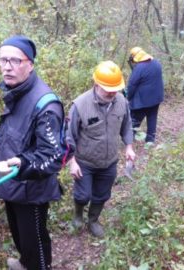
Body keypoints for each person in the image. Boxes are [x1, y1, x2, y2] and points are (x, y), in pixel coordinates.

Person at [0, 35, 65, 270]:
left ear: (30, 64)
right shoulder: (16, 91)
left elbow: (53, 157)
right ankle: (26, 263)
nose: (7, 66)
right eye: (2, 60)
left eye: (15, 60)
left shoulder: (46, 104)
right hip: (12, 182)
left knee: (34, 241)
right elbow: (14, 130)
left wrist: (20, 164)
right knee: (19, 236)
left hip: (32, 190)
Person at [66, 61, 136, 238]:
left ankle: (93, 220)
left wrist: (129, 147)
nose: (112, 93)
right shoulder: (80, 105)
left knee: (102, 194)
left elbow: (127, 125)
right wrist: (72, 162)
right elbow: (68, 136)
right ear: (96, 84)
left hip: (109, 161)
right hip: (85, 162)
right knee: (83, 195)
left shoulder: (121, 102)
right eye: (108, 89)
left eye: (115, 89)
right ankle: (77, 215)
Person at [126, 47, 164, 143]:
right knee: (152, 118)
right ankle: (150, 141)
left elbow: (131, 85)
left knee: (134, 121)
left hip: (142, 102)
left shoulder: (139, 68)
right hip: (156, 99)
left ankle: (128, 141)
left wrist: (128, 98)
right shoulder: (157, 63)